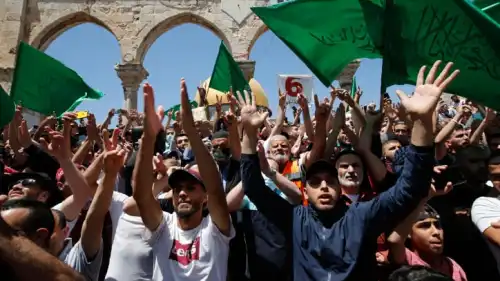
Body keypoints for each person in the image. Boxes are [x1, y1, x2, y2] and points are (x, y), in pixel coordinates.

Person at [240, 60, 459, 280]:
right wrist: (249, 133)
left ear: (339, 187)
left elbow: (410, 189)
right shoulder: (295, 218)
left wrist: (422, 122)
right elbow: (254, 187)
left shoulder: (361, 215)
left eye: (330, 181)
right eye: (315, 182)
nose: (324, 186)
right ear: (305, 191)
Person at [132, 80, 234, 281]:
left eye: (190, 187)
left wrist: (191, 132)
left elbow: (215, 189)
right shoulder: (163, 228)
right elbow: (142, 196)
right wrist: (148, 139)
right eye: (177, 189)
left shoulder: (215, 230)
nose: (182, 193)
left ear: (205, 198)